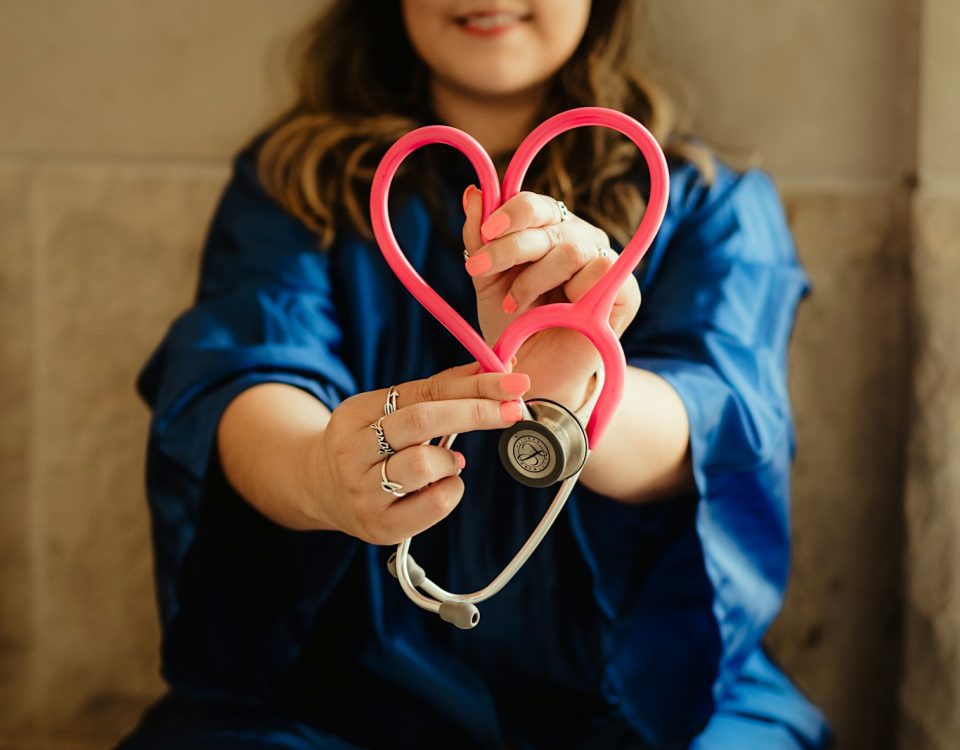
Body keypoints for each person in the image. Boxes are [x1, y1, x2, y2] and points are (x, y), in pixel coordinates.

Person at [117, 1, 833, 748]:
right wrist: (319, 473)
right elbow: (241, 372)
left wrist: (569, 397)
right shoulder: (293, 186)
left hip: (652, 693)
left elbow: (718, 419)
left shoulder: (708, 202)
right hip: (337, 696)